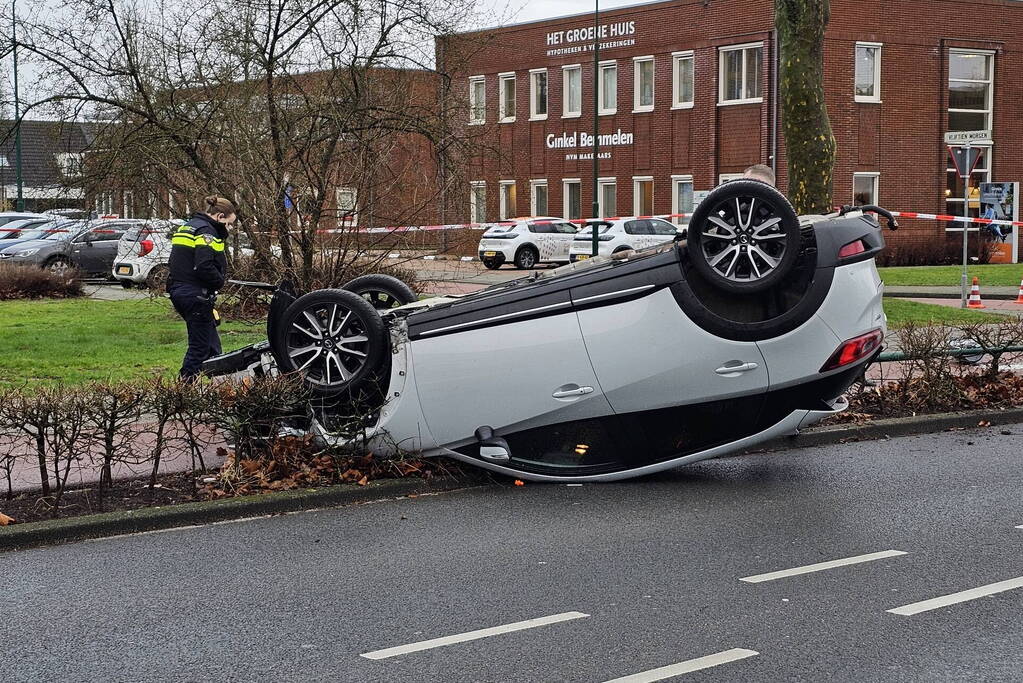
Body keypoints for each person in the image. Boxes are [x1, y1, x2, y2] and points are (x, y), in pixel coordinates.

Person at [166, 195, 236, 380]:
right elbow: (204, 265)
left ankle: (221, 385)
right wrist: (219, 281)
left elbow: (177, 261)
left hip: (180, 290)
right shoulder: (207, 232)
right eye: (229, 223)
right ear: (220, 216)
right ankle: (183, 390)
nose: (230, 228)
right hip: (196, 295)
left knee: (212, 344)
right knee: (200, 346)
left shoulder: (188, 226)